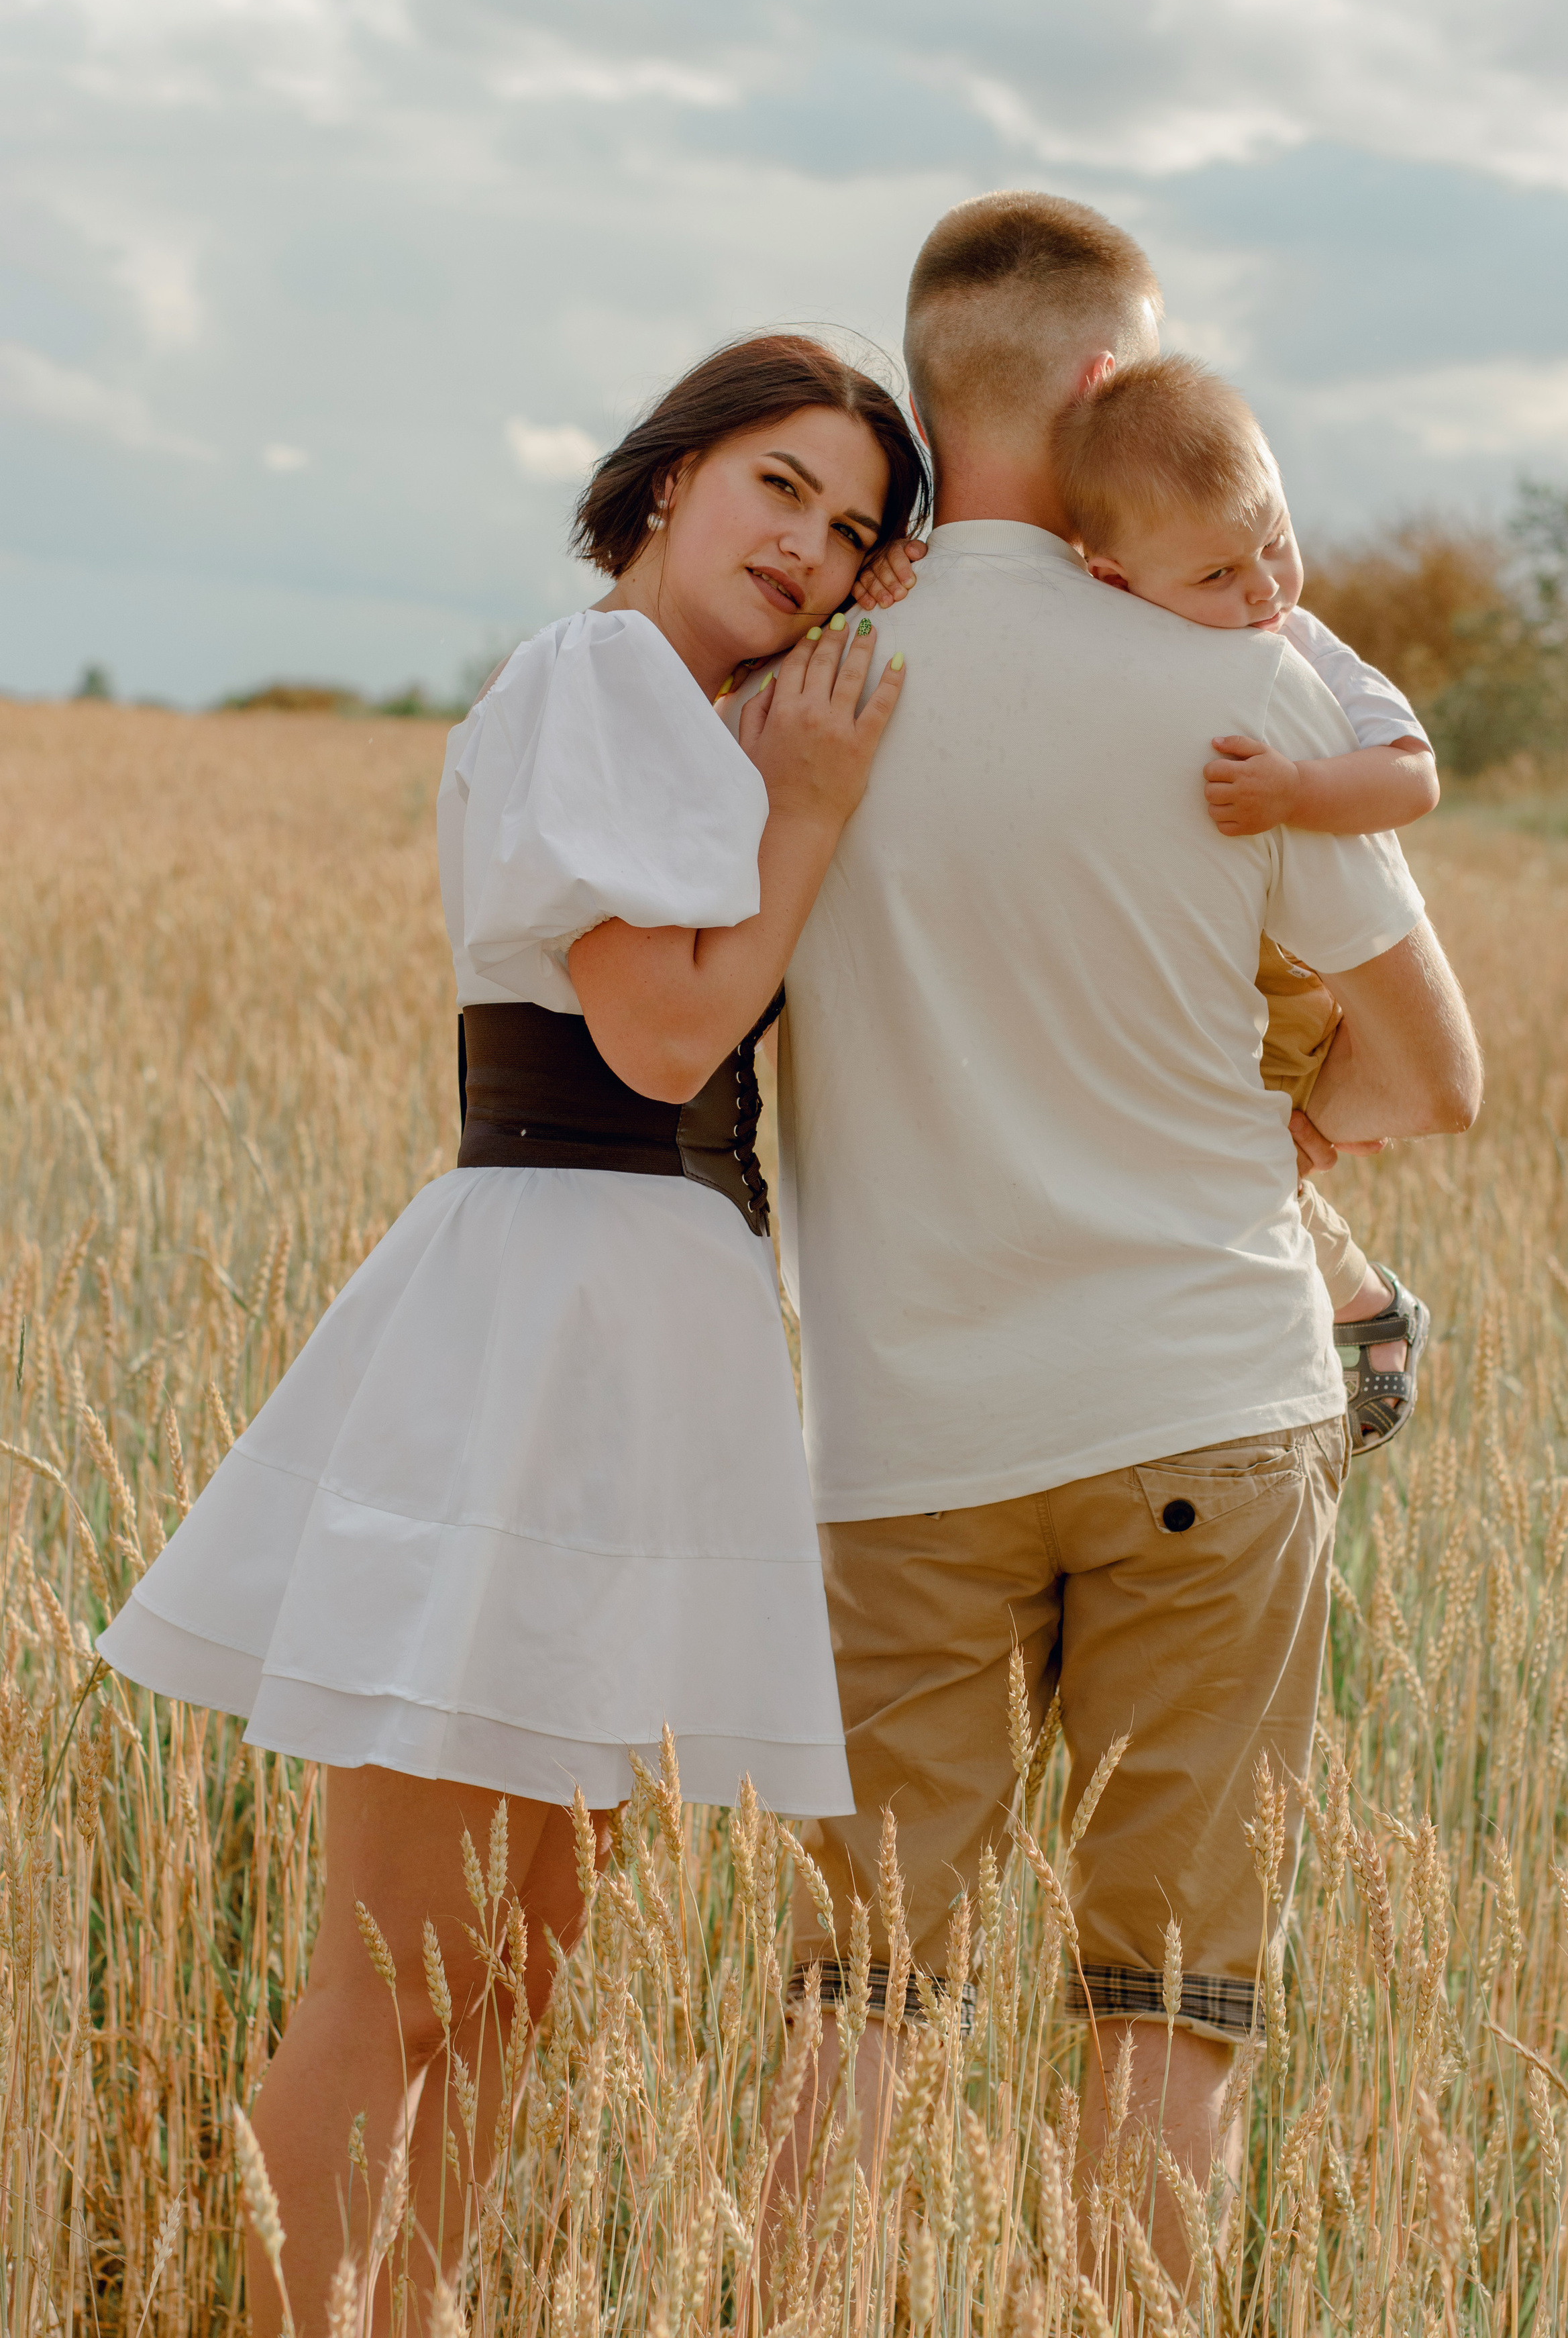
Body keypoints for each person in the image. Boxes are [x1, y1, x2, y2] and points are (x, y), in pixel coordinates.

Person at [97, 332, 927, 2334]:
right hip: (551, 1298)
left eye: (851, 529)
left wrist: (840, 668)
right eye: (776, 488)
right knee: (400, 1970)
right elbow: (657, 1033)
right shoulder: (601, 680)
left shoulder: (677, 708)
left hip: (640, 1321)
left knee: (513, 1963)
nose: (810, 547)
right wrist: (811, 800)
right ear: (667, 481)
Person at [772, 195, 1481, 2284]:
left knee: (863, 1997)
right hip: (1204, 1406)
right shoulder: (1233, 682)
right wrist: (1286, 1135)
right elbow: (1434, 1074)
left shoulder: (806, 679)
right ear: (1109, 392)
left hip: (907, 1444)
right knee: (1173, 2002)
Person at [1053, 350, 1445, 1454]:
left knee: (1241, 1153)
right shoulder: (1117, 644)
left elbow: (1412, 773)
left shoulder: (1303, 651)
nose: (1265, 588)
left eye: (1274, 542)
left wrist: (1299, 789)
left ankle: (1360, 1307)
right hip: (1202, 951)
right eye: (1219, 577)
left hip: (1293, 972)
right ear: (1114, 585)